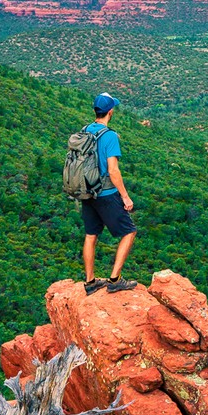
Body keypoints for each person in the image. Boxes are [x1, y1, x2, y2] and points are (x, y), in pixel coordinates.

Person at [79, 92, 138, 293]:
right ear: (110, 112)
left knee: (91, 235)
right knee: (129, 232)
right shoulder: (110, 136)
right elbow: (113, 170)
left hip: (87, 192)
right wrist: (125, 196)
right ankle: (115, 280)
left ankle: (90, 282)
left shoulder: (85, 130)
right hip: (105, 193)